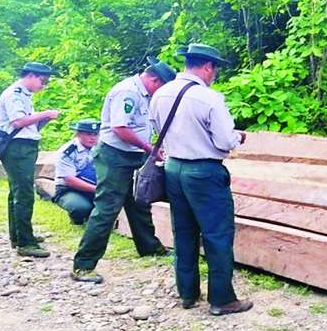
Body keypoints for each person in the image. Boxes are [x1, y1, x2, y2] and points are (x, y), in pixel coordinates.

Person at [149, 43, 252, 316]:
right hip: (204, 171)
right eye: (214, 69)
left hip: (173, 168)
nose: (214, 75)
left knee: (183, 231)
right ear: (207, 67)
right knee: (217, 234)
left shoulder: (161, 93)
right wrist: (238, 137)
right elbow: (225, 140)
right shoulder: (209, 98)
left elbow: (157, 128)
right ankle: (222, 299)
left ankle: (187, 293)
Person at [72, 60, 176, 283]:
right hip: (114, 156)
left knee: (139, 201)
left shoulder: (145, 94)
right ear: (155, 80)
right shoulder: (127, 92)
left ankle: (149, 247)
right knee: (107, 207)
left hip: (133, 154)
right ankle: (83, 265)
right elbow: (120, 128)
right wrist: (149, 148)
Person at [0, 62, 60, 258]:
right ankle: (25, 242)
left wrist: (43, 120)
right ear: (31, 76)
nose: (43, 85)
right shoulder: (14, 94)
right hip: (18, 149)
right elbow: (17, 122)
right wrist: (45, 113)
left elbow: (28, 126)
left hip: (24, 147)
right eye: (42, 81)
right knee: (24, 193)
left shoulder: (24, 94)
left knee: (17, 192)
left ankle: (18, 235)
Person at [53, 119, 100, 225]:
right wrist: (98, 190)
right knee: (80, 208)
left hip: (95, 185)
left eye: (95, 134)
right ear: (78, 134)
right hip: (70, 189)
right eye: (88, 134)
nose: (92, 138)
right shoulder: (68, 151)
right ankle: (77, 218)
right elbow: (69, 180)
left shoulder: (101, 148)